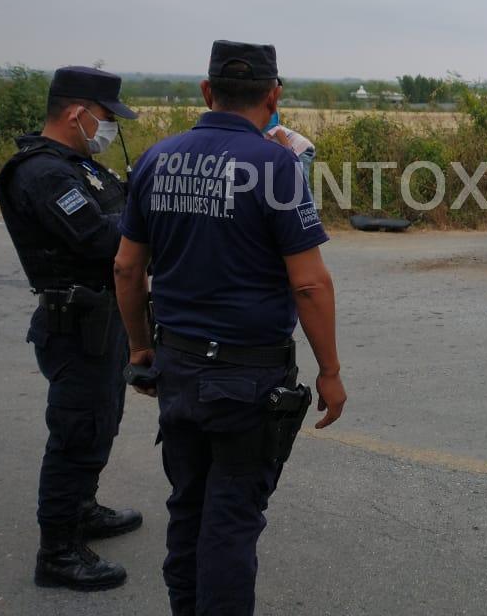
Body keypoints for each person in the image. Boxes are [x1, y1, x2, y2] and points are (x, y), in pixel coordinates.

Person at [114, 40, 347, 615]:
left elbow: (125, 266)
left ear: (206, 91)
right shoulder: (277, 166)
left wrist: (140, 347)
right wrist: (332, 372)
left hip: (177, 366)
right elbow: (311, 284)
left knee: (188, 509)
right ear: (274, 96)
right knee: (232, 523)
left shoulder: (155, 158)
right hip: (247, 378)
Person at [0, 66, 143, 591]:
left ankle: (82, 508)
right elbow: (103, 242)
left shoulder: (84, 168)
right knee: (75, 432)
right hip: (74, 323)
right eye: (106, 118)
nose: (110, 130)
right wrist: (144, 229)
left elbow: (125, 215)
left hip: (104, 321)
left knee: (102, 421)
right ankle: (57, 552)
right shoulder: (44, 173)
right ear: (77, 114)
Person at [264, 111, 316, 180]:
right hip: (299, 149)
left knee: (301, 183)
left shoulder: (272, 129)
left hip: (301, 150)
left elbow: (280, 133)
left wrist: (290, 158)